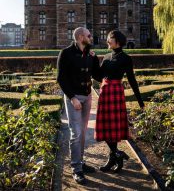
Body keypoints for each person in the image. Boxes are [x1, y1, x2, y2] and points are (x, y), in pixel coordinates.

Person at [95, 30, 144, 172]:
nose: (107, 41)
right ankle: (117, 154)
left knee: (113, 128)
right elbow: (99, 76)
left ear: (117, 41)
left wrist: (140, 101)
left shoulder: (126, 58)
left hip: (116, 92)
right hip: (105, 92)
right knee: (105, 126)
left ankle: (114, 157)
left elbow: (132, 80)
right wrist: (91, 60)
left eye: (110, 38)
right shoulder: (106, 56)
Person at [57, 27, 101, 185]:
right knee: (75, 132)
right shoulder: (66, 53)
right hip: (73, 98)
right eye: (89, 35)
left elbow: (97, 75)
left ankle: (80, 162)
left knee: (82, 132)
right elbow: (61, 78)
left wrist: (107, 61)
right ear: (81, 36)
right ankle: (76, 169)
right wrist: (72, 98)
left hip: (87, 97)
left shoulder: (89, 53)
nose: (91, 37)